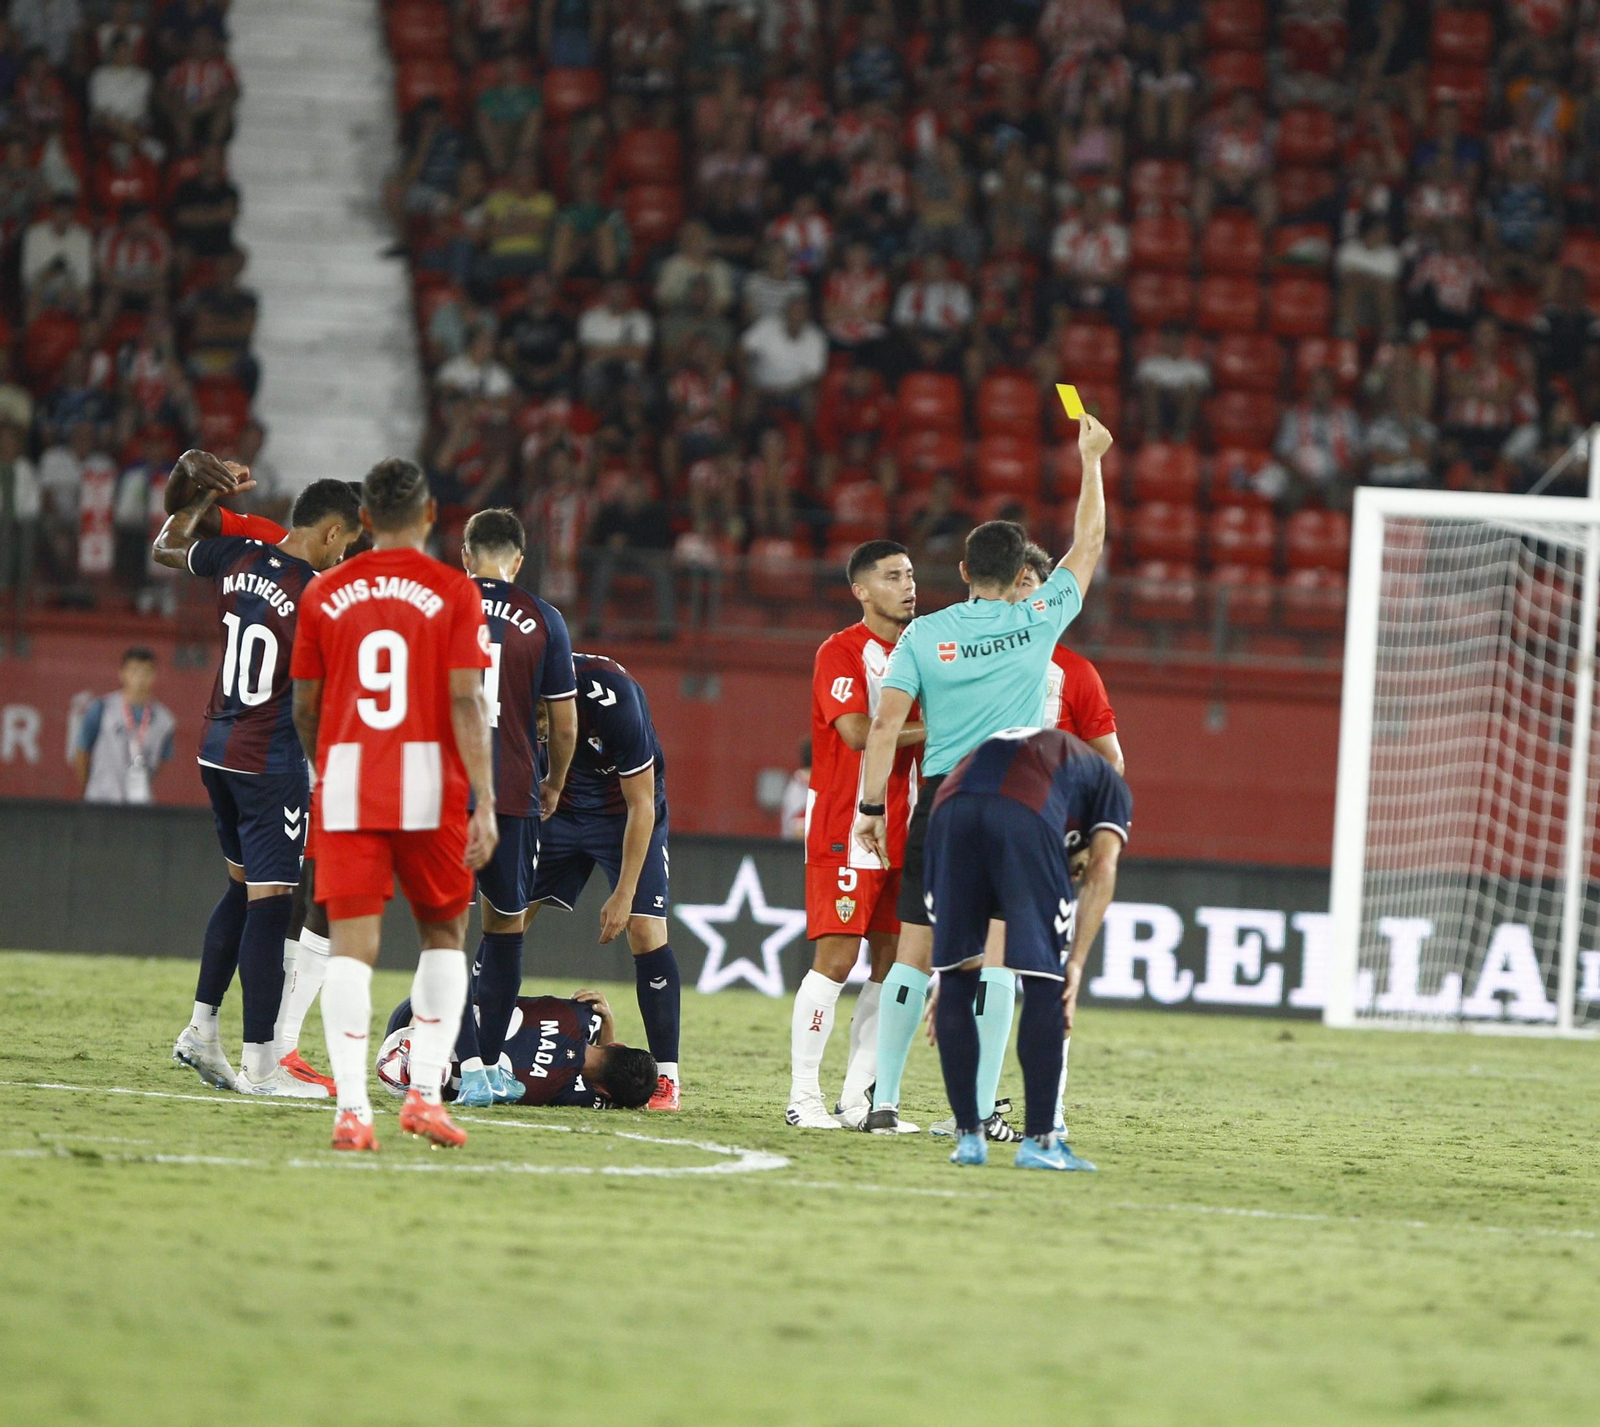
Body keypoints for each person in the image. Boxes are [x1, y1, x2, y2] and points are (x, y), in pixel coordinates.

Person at [851, 411, 1113, 1134]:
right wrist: (1091, 458)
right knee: (999, 955)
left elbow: (881, 726)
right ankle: (978, 1116)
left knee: (916, 951)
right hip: (1023, 798)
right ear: (1019, 575)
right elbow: (1088, 542)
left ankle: (884, 1102)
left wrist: (871, 809)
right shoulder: (1038, 620)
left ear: (963, 570)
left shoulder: (924, 635)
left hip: (945, 799)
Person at [290, 457, 497, 1153]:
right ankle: (426, 1096)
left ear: (366, 519)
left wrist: (330, 763)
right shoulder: (454, 591)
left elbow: (304, 706)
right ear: (432, 514)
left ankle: (352, 1110)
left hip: (349, 779)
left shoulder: (324, 592)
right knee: (444, 936)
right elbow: (467, 699)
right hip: (432, 782)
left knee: (352, 948)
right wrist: (487, 800)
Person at [153, 453, 362, 1096]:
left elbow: (168, 542)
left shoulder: (242, 555)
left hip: (215, 744)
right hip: (268, 761)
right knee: (273, 912)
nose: (345, 560)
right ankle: (263, 1065)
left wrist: (195, 485)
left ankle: (201, 1029)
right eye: (347, 546)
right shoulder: (319, 593)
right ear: (330, 532)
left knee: (244, 894)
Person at [925, 728, 1130, 1170]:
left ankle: (968, 1139)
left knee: (956, 981)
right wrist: (1073, 965)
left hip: (946, 808)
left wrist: (952, 965)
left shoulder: (1048, 763)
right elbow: (1102, 868)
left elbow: (997, 881)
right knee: (1044, 984)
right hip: (1022, 817)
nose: (1070, 878)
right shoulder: (1112, 783)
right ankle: (1040, 1140)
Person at [787, 540, 925, 1130]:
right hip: (849, 825)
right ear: (862, 591)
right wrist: (940, 723)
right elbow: (856, 731)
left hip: (908, 825)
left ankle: (858, 1100)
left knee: (893, 964)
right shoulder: (840, 652)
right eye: (893, 576)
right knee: (837, 960)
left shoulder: (923, 652)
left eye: (912, 574)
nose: (908, 585)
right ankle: (802, 1098)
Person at [453, 508, 578, 1108]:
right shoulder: (545, 619)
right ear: (519, 560)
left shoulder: (440, 603)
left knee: (444, 935)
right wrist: (553, 782)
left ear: (466, 553)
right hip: (514, 792)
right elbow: (566, 724)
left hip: (445, 792)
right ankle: (488, 1065)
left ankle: (459, 1060)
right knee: (503, 928)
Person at [526, 651, 681, 1110]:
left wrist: (624, 893)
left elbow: (642, 805)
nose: (537, 726)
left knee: (646, 927)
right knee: (506, 915)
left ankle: (666, 1079)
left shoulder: (615, 699)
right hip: (560, 806)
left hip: (623, 814)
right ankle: (479, 1043)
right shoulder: (514, 682)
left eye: (541, 715)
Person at [378, 989, 658, 1109]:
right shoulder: (572, 1094)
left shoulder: (581, 1013)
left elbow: (599, 1039)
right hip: (408, 1069)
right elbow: (608, 1097)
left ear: (617, 1045)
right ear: (605, 1091)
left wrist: (607, 1017)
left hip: (416, 1008)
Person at [72, 646, 176, 804]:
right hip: (101, 800)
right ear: (122, 674)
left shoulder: (164, 720)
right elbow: (82, 752)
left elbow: (161, 761)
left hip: (139, 804)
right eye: (134, 671)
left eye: (146, 672)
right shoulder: (102, 708)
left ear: (154, 675)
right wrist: (91, 787)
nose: (140, 679)